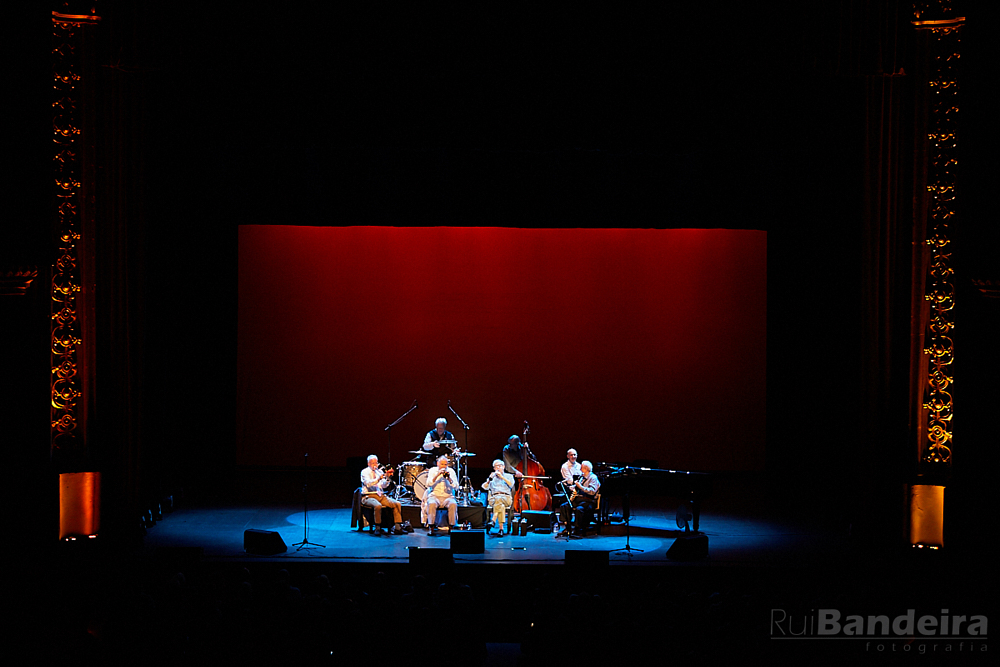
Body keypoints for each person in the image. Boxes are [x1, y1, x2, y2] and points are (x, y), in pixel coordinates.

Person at [360, 455, 404, 535]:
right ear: (368, 464)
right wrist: (379, 478)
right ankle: (377, 527)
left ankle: (397, 527)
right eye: (372, 463)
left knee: (397, 504)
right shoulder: (364, 472)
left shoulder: (379, 472)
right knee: (377, 506)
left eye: (376, 463)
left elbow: (384, 486)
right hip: (368, 496)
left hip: (380, 495)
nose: (375, 465)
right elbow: (368, 484)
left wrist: (387, 478)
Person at [557, 460, 600, 537]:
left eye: (581, 468)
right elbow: (577, 487)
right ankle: (568, 528)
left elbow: (592, 492)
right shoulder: (582, 477)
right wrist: (573, 487)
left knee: (579, 509)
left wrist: (580, 487)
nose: (580, 469)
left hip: (588, 500)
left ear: (586, 469)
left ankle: (578, 529)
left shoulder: (593, 478)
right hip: (579, 499)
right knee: (564, 506)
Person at [424, 455, 459, 536]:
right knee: (431, 503)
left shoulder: (451, 471)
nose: (444, 466)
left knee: (453, 504)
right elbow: (428, 484)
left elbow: (456, 487)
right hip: (435, 495)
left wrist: (449, 479)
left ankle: (451, 527)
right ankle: (431, 527)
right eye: (442, 464)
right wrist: (437, 475)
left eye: (445, 464)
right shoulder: (433, 470)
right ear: (438, 464)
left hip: (448, 496)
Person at [481, 459, 515, 536]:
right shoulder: (492, 478)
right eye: (496, 466)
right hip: (494, 498)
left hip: (506, 498)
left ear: (504, 467)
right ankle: (501, 529)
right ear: (494, 469)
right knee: (500, 505)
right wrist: (489, 480)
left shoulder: (509, 476)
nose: (498, 468)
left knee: (499, 500)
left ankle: (493, 519)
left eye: (500, 466)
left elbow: (511, 485)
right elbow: (484, 487)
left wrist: (502, 477)